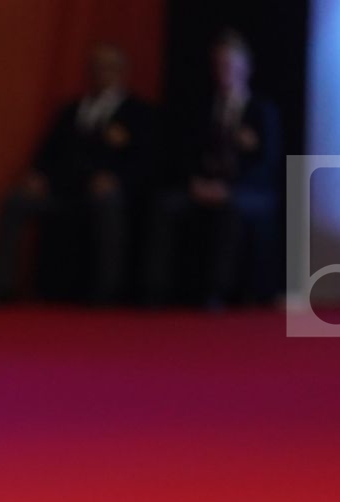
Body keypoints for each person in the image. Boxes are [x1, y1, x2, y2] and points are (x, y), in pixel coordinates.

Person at [0, 43, 153, 305]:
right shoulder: (71, 110)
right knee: (16, 200)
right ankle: (2, 287)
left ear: (122, 72)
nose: (100, 73)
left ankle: (107, 292)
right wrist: (38, 175)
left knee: (109, 203)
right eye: (95, 67)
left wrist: (116, 179)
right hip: (63, 188)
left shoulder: (138, 112)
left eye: (108, 67)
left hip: (105, 193)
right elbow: (48, 151)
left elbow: (145, 162)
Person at [144, 29, 282, 307]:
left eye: (230, 65)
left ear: (245, 68)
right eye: (219, 65)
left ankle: (217, 291)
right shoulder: (203, 108)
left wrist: (228, 188)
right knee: (165, 205)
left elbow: (269, 164)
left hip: (248, 191)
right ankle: (155, 290)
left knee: (230, 209)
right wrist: (197, 182)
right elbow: (186, 153)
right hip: (204, 186)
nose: (224, 71)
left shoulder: (261, 111)